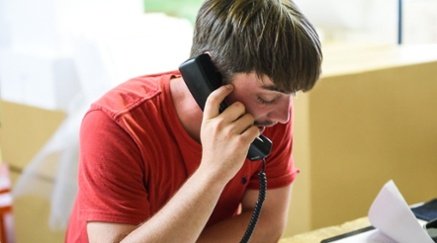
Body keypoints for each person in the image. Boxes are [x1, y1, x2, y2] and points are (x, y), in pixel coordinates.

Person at [65, 0, 322, 242]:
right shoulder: (116, 124)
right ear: (208, 74)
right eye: (267, 97)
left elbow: (267, 224)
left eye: (292, 95)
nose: (283, 116)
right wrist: (213, 172)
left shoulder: (265, 116)